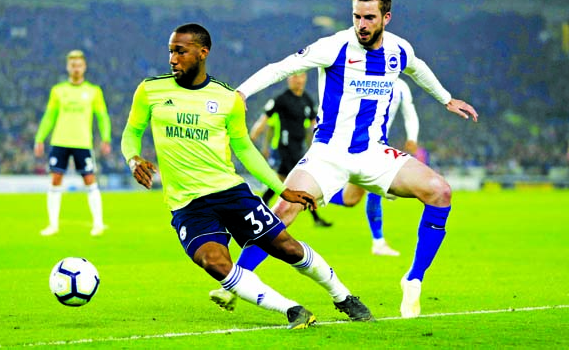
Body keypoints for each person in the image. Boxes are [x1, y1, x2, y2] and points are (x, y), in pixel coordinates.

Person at [214, 0, 478, 319]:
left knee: (440, 191)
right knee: (283, 211)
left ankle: (413, 279)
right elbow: (282, 67)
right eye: (356, 16)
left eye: (369, 17)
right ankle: (236, 281)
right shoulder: (335, 46)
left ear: (387, 17)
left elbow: (418, 68)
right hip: (328, 153)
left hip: (373, 153)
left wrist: (446, 99)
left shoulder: (399, 50)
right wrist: (241, 93)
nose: (361, 25)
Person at [120, 23, 374, 329]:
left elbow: (245, 149)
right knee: (214, 263)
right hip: (187, 205)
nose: (173, 59)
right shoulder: (150, 91)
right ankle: (293, 310)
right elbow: (132, 132)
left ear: (202, 53)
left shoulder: (227, 99)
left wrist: (282, 189)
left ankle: (343, 296)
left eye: (180, 51)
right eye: (171, 51)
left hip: (230, 192)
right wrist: (133, 158)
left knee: (286, 247)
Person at [330, 77, 419, 256]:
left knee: (350, 199)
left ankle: (308, 194)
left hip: (377, 145)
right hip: (355, 143)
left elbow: (410, 112)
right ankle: (378, 242)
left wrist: (412, 137)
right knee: (378, 189)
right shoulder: (364, 77)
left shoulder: (400, 87)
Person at [34, 50, 111, 236]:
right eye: (72, 65)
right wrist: (39, 138)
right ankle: (53, 225)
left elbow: (102, 117)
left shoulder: (94, 91)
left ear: (84, 67)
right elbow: (49, 116)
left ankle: (98, 223)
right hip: (59, 141)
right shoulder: (58, 91)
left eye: (79, 65)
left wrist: (106, 138)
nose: (76, 68)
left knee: (90, 180)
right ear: (68, 67)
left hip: (83, 143)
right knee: (55, 180)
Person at [249, 72, 332, 228]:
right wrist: (251, 137)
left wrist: (316, 145)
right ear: (289, 79)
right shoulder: (281, 99)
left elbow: (314, 125)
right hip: (284, 148)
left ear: (305, 78)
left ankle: (261, 206)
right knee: (299, 183)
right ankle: (316, 218)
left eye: (301, 77)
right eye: (295, 77)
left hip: (299, 147)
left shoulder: (307, 100)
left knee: (282, 182)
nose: (298, 80)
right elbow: (265, 119)